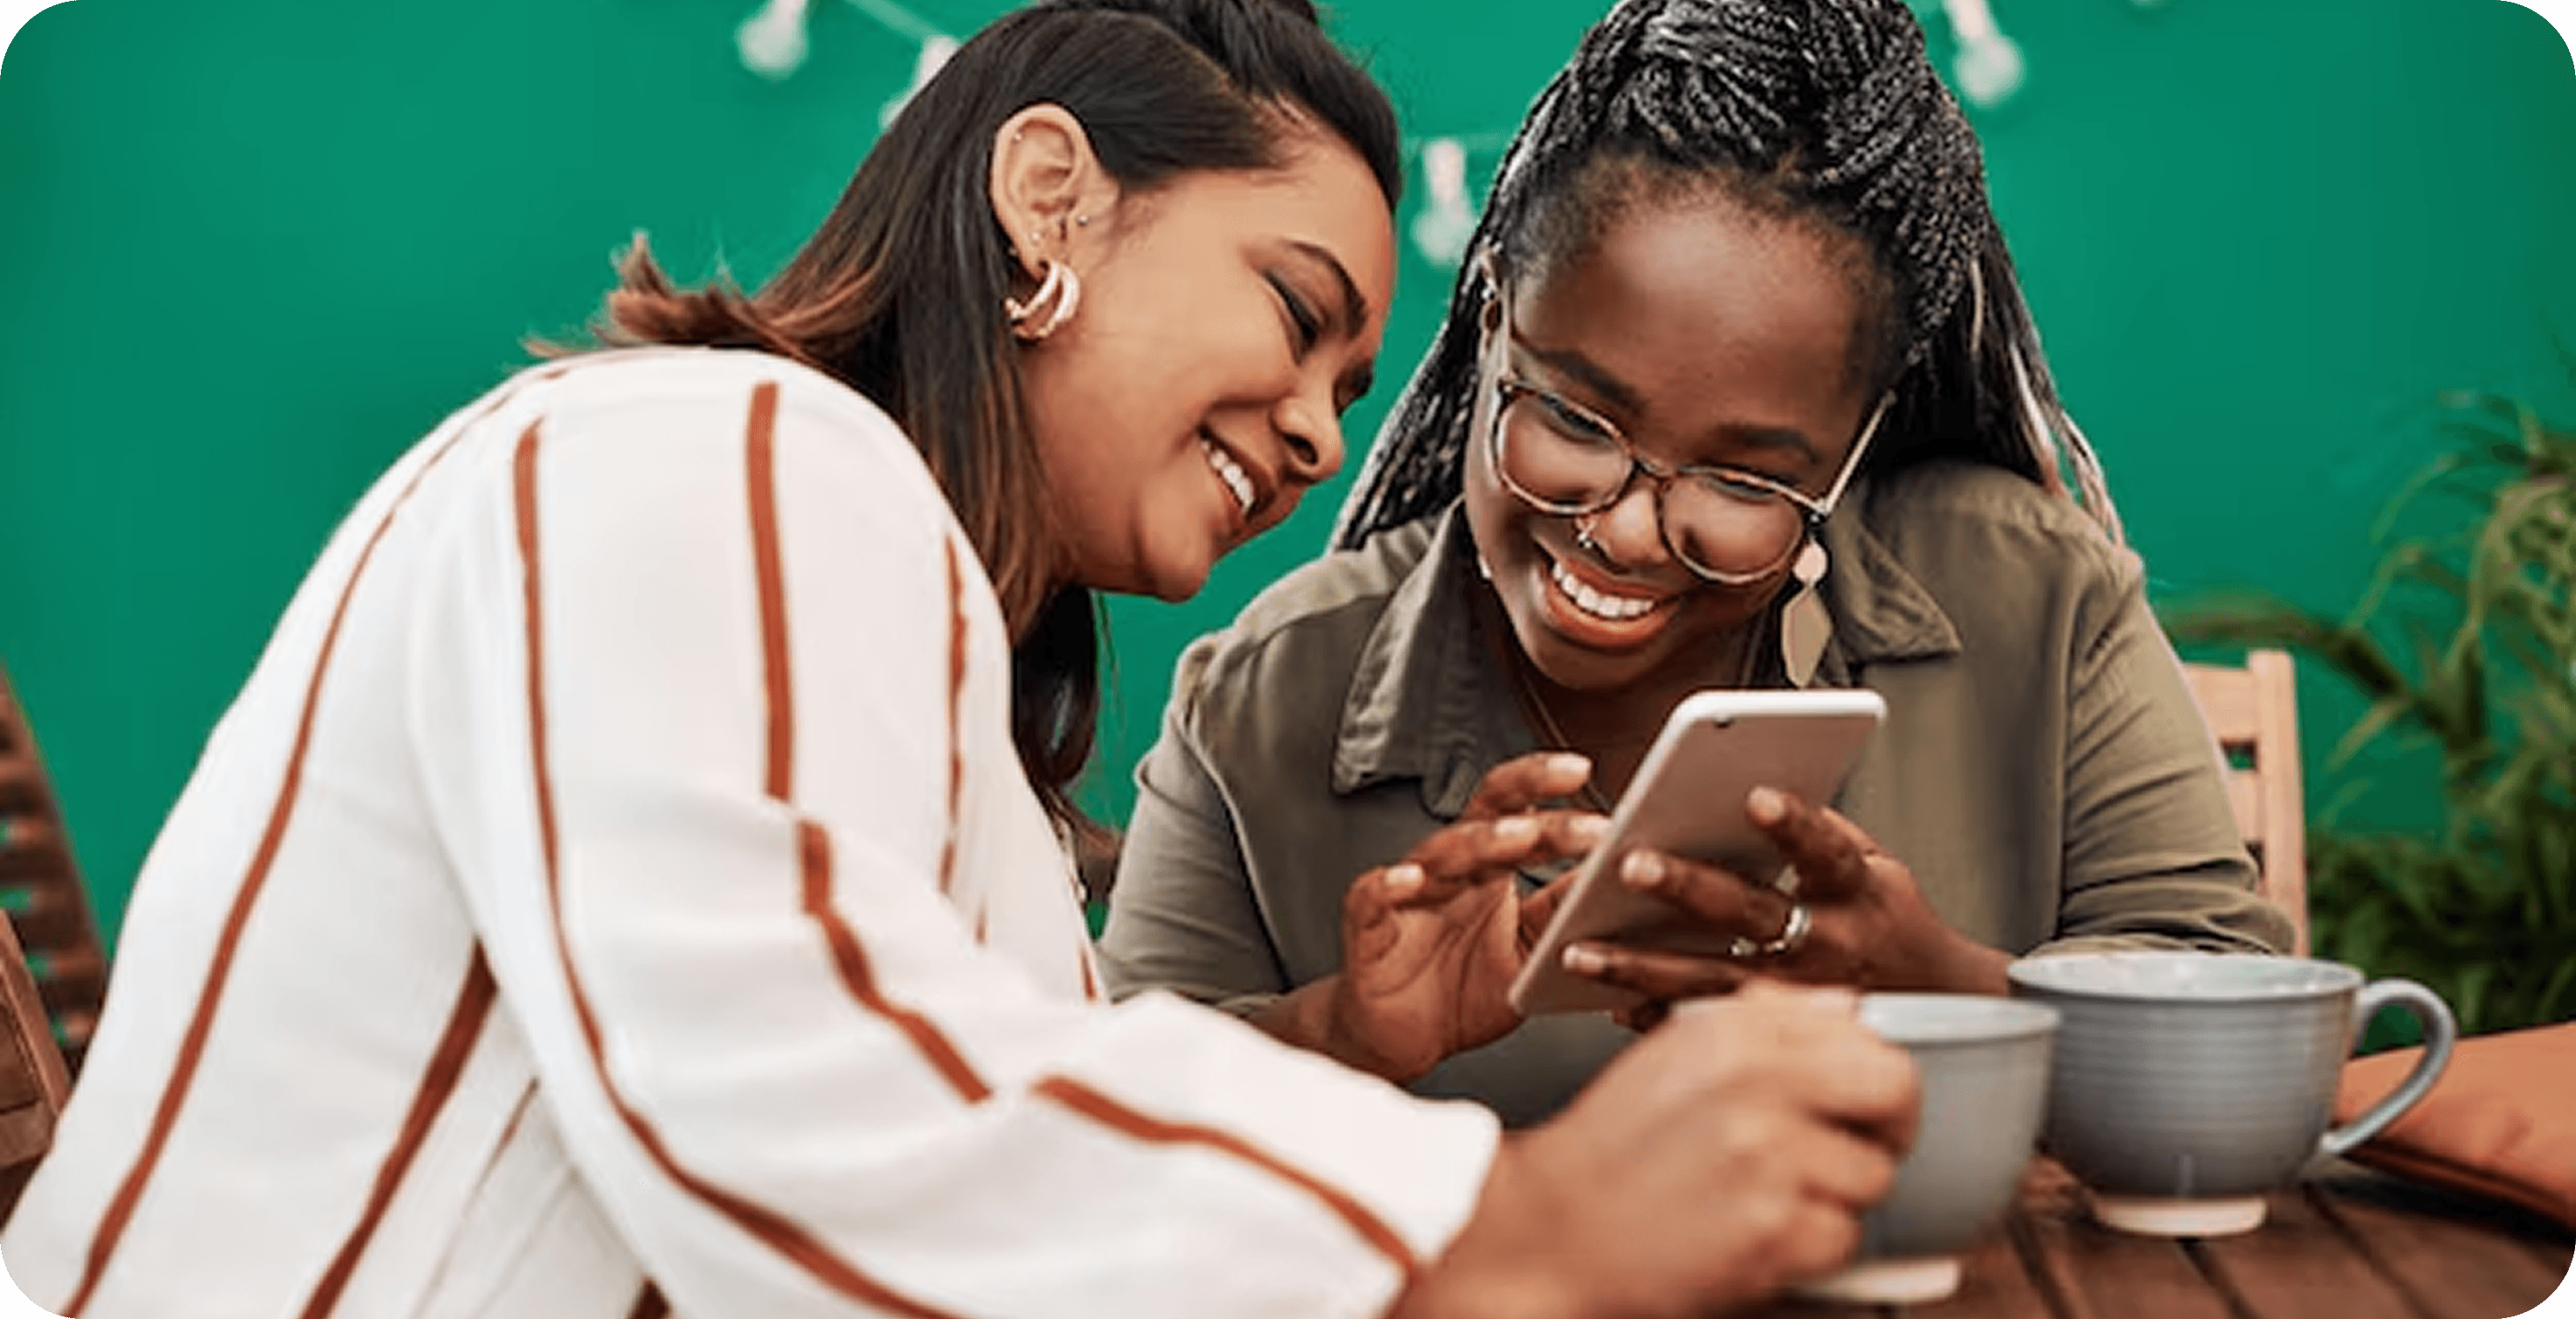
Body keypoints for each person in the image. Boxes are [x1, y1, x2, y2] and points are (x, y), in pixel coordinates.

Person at [1, 2, 1924, 1316]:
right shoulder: (729, 452)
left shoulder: (880, 611)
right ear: (1048, 196)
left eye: (1355, 389)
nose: (1320, 435)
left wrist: (1339, 1037)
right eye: (1295, 311)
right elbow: (786, 1105)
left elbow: (966, 1093)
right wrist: (1508, 1233)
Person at [1099, 0, 2297, 1126]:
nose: (1626, 532)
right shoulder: (1258, 704)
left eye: (1743, 481)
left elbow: (2238, 1018)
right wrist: (1338, 1035)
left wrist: (1942, 984)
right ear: (1493, 318)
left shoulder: (2034, 593)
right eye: (1573, 419)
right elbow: (1093, 1137)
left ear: (1851, 449)